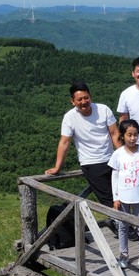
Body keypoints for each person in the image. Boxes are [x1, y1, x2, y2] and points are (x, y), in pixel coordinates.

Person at [45, 81, 122, 231]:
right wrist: (57, 167)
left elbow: (114, 133)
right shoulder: (70, 117)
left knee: (122, 194)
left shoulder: (103, 109)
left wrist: (124, 156)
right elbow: (65, 142)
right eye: (79, 100)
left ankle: (120, 224)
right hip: (91, 163)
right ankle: (120, 227)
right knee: (108, 199)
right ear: (72, 101)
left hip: (112, 160)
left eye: (86, 98)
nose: (83, 102)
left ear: (90, 96)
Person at [109, 119, 139, 270]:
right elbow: (114, 176)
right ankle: (123, 255)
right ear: (122, 136)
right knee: (123, 226)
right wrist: (115, 197)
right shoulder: (118, 154)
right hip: (123, 196)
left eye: (135, 135)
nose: (132, 138)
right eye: (129, 135)